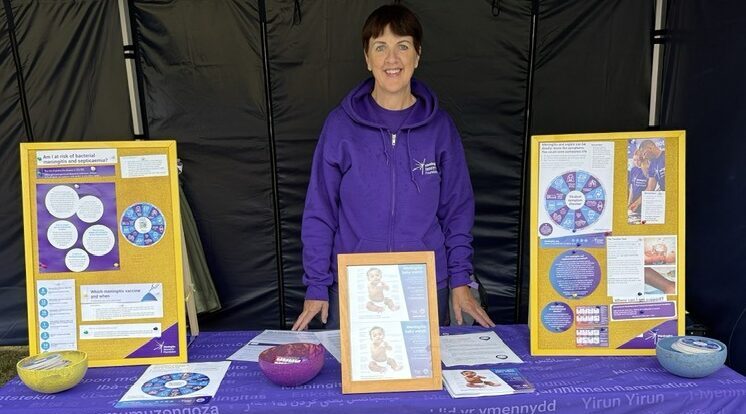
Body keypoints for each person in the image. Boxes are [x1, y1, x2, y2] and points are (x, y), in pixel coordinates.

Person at [292, 4, 494, 330]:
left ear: (417, 55)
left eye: (402, 46)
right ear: (367, 58)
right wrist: (317, 285)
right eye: (380, 47)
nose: (392, 59)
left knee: (426, 381)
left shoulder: (440, 128)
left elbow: (457, 212)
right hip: (356, 287)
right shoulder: (340, 127)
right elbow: (320, 211)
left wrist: (460, 281)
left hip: (426, 286)